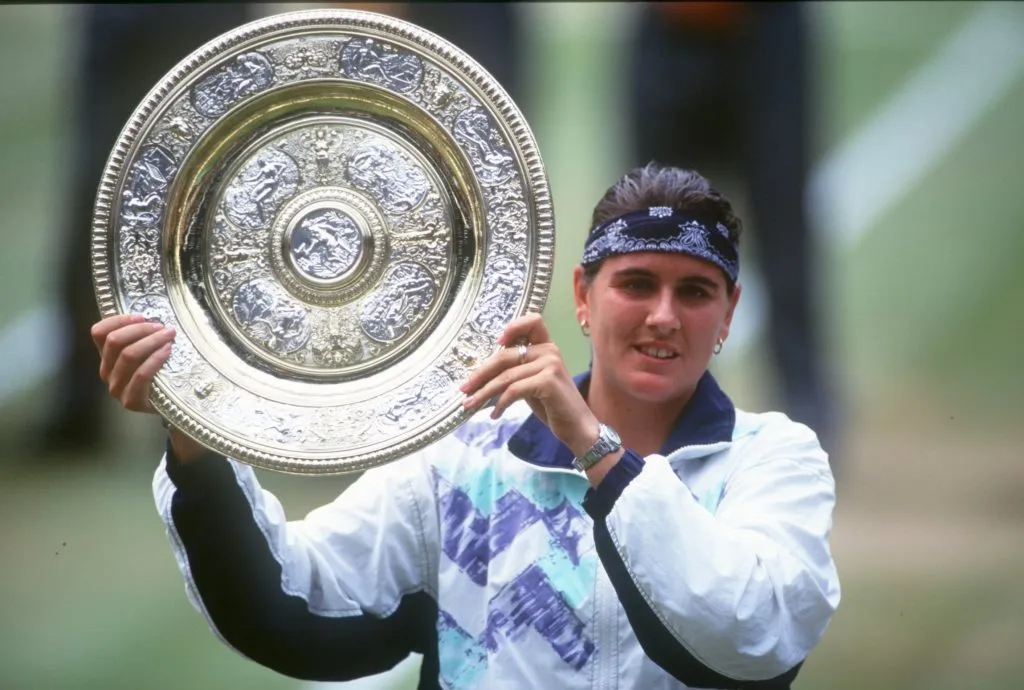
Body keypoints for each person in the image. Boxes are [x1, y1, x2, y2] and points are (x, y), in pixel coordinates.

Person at [93, 164, 841, 688]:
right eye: (636, 284)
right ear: (583, 297)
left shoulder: (773, 460)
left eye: (696, 291)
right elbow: (291, 603)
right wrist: (194, 433)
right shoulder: (466, 457)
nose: (664, 316)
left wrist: (592, 445)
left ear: (730, 313)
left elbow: (751, 635)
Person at [628, 3, 841, 467]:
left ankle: (805, 406)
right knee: (657, 227)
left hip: (766, 27)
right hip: (669, 24)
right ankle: (662, 407)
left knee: (783, 221)